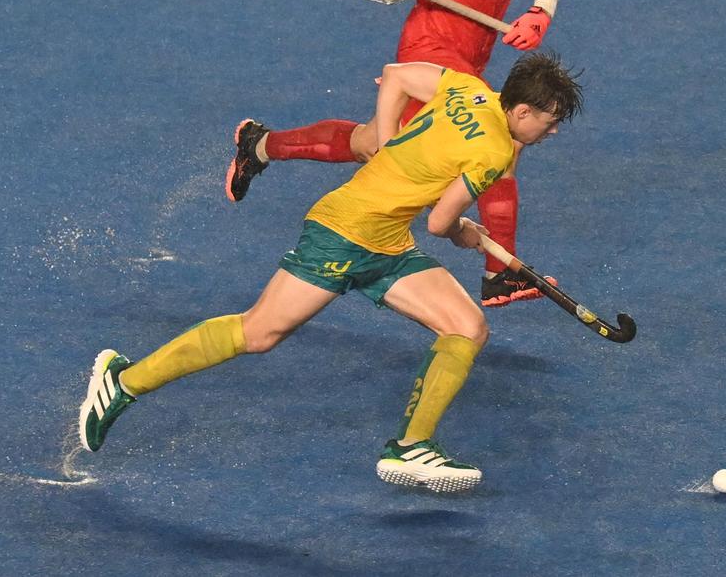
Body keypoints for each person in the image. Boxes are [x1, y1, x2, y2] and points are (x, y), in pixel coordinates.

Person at [80, 53, 583, 493]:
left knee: (467, 326)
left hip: (385, 239)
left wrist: (386, 145)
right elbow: (439, 222)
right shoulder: (495, 152)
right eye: (551, 119)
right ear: (522, 111)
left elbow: (396, 76)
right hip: (343, 234)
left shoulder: (468, 88)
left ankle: (412, 445)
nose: (553, 130)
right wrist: (464, 234)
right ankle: (121, 383)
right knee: (257, 333)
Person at [225, 0, 571, 308]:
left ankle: (261, 145)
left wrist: (542, 8)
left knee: (370, 143)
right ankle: (502, 274)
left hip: (477, 52)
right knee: (499, 149)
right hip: (429, 47)